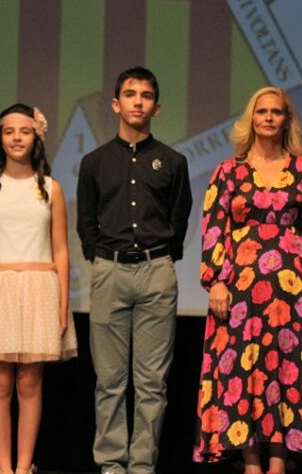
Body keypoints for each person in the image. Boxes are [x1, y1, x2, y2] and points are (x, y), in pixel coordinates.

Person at [192, 86, 302, 472]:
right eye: (262, 111)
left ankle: (278, 461)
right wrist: (217, 280)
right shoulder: (229, 172)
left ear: (286, 119)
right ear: (251, 118)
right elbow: (213, 227)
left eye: (276, 112)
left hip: (296, 294)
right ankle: (250, 462)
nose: (269, 117)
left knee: (287, 370)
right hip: (242, 292)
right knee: (245, 370)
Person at [77, 66, 192, 474]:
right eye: (130, 94)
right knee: (109, 380)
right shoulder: (93, 162)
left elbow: (180, 217)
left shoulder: (172, 161)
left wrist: (162, 258)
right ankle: (111, 462)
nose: (137, 101)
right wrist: (101, 258)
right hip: (109, 271)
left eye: (145, 95)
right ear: (116, 103)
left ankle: (142, 465)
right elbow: (85, 222)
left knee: (151, 383)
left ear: (156, 107)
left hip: (156, 271)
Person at [0, 104, 78, 474]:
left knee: (29, 381)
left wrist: (62, 303)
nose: (16, 138)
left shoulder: (51, 188)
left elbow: (60, 248)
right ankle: (3, 467)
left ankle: (25, 466)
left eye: (24, 131)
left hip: (38, 286)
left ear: (36, 136)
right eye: (9, 131)